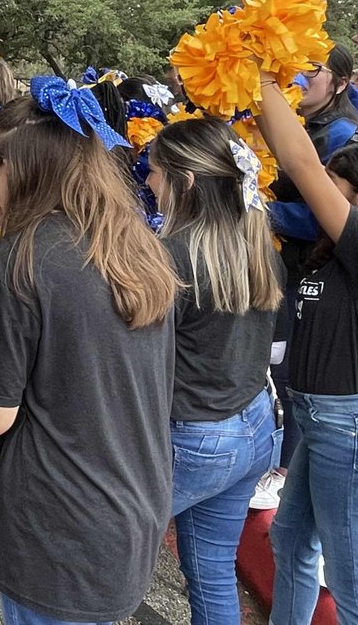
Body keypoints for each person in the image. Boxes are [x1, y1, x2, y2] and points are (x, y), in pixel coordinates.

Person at [0, 78, 178, 625]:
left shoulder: (16, 259)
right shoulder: (137, 244)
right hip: (132, 507)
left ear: (16, 169)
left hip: (57, 528)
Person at [148, 118, 283, 625]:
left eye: (155, 171)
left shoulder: (172, 258)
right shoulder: (256, 248)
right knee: (212, 572)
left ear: (185, 183)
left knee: (97, 554)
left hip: (197, 437)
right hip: (254, 429)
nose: (148, 182)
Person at [255, 77, 358, 625]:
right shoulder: (329, 250)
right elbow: (287, 157)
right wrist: (252, 90)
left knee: (349, 581)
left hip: (345, 427)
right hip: (318, 422)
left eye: (337, 190)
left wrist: (266, 79)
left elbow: (299, 163)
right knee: (291, 540)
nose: (323, 199)